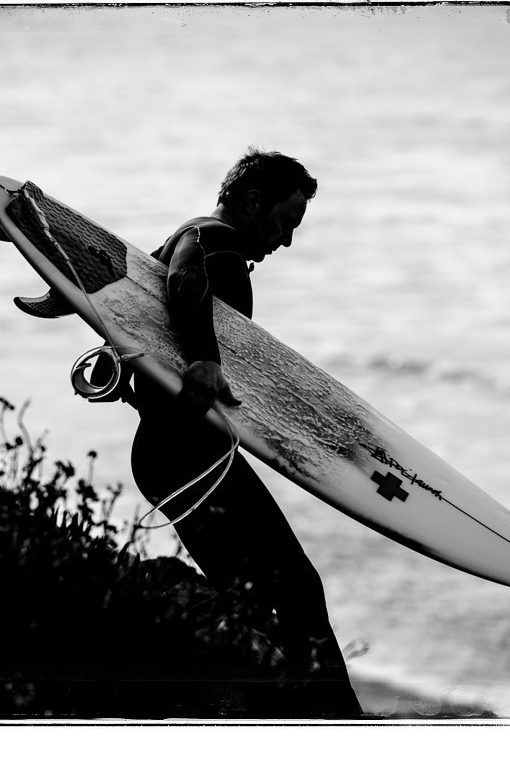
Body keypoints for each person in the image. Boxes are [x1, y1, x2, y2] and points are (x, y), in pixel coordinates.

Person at [125, 149, 361, 717]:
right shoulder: (217, 243)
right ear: (253, 202)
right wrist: (205, 358)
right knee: (296, 591)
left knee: (260, 598)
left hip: (170, 453)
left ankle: (296, 714)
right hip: (187, 453)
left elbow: (136, 296)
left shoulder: (189, 233)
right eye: (286, 221)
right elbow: (186, 279)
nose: (284, 241)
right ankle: (343, 724)